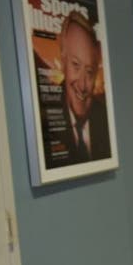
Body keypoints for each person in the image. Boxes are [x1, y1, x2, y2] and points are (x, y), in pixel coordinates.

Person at [54, 10, 111, 165]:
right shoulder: (47, 114)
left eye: (89, 71)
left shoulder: (105, 118)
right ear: (63, 61)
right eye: (76, 65)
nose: (82, 84)